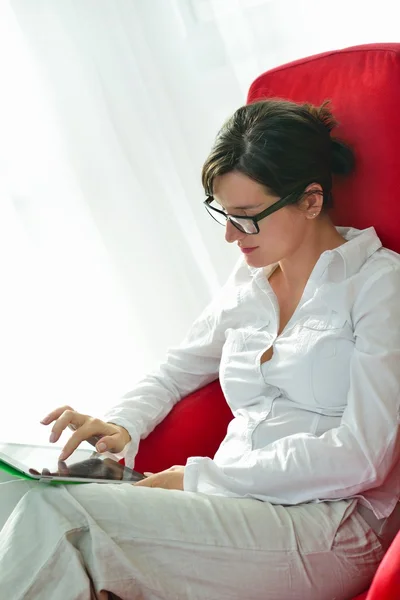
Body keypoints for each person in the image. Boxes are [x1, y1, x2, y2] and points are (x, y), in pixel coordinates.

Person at [1, 98, 400, 600]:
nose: (232, 236)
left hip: (328, 524)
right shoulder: (250, 278)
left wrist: (198, 479)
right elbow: (178, 370)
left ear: (311, 200)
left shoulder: (380, 286)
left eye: (247, 217)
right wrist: (123, 424)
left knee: (56, 516)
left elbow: (363, 457)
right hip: (229, 507)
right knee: (12, 490)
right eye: (223, 215)